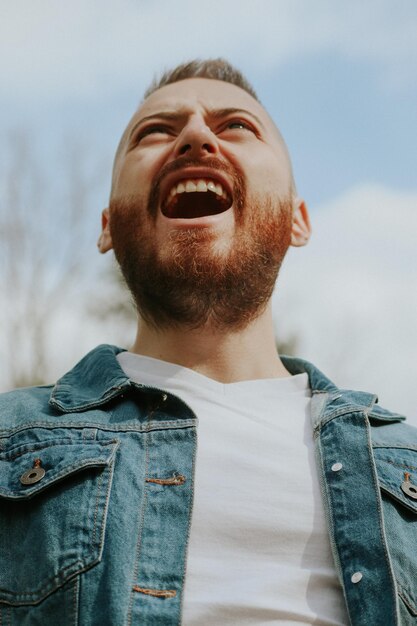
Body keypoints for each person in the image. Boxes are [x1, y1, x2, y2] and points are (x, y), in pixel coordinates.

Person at [1, 59, 416, 626]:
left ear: (298, 219)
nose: (196, 136)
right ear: (107, 225)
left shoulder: (405, 459)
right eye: (155, 132)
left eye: (236, 126)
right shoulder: (7, 438)